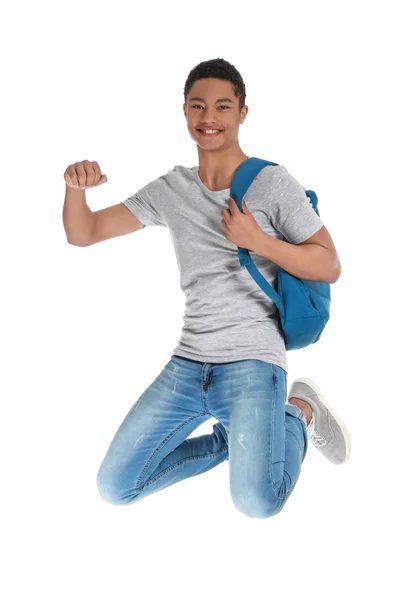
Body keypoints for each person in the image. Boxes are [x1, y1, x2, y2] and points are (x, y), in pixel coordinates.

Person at [63, 58, 351, 519]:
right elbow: (85, 232)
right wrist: (75, 189)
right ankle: (236, 440)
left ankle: (297, 412)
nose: (209, 117)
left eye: (222, 106)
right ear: (185, 113)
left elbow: (328, 263)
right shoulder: (171, 189)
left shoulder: (272, 183)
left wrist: (258, 241)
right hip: (188, 364)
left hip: (254, 362)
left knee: (257, 502)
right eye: (198, 106)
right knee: (116, 486)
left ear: (242, 113)